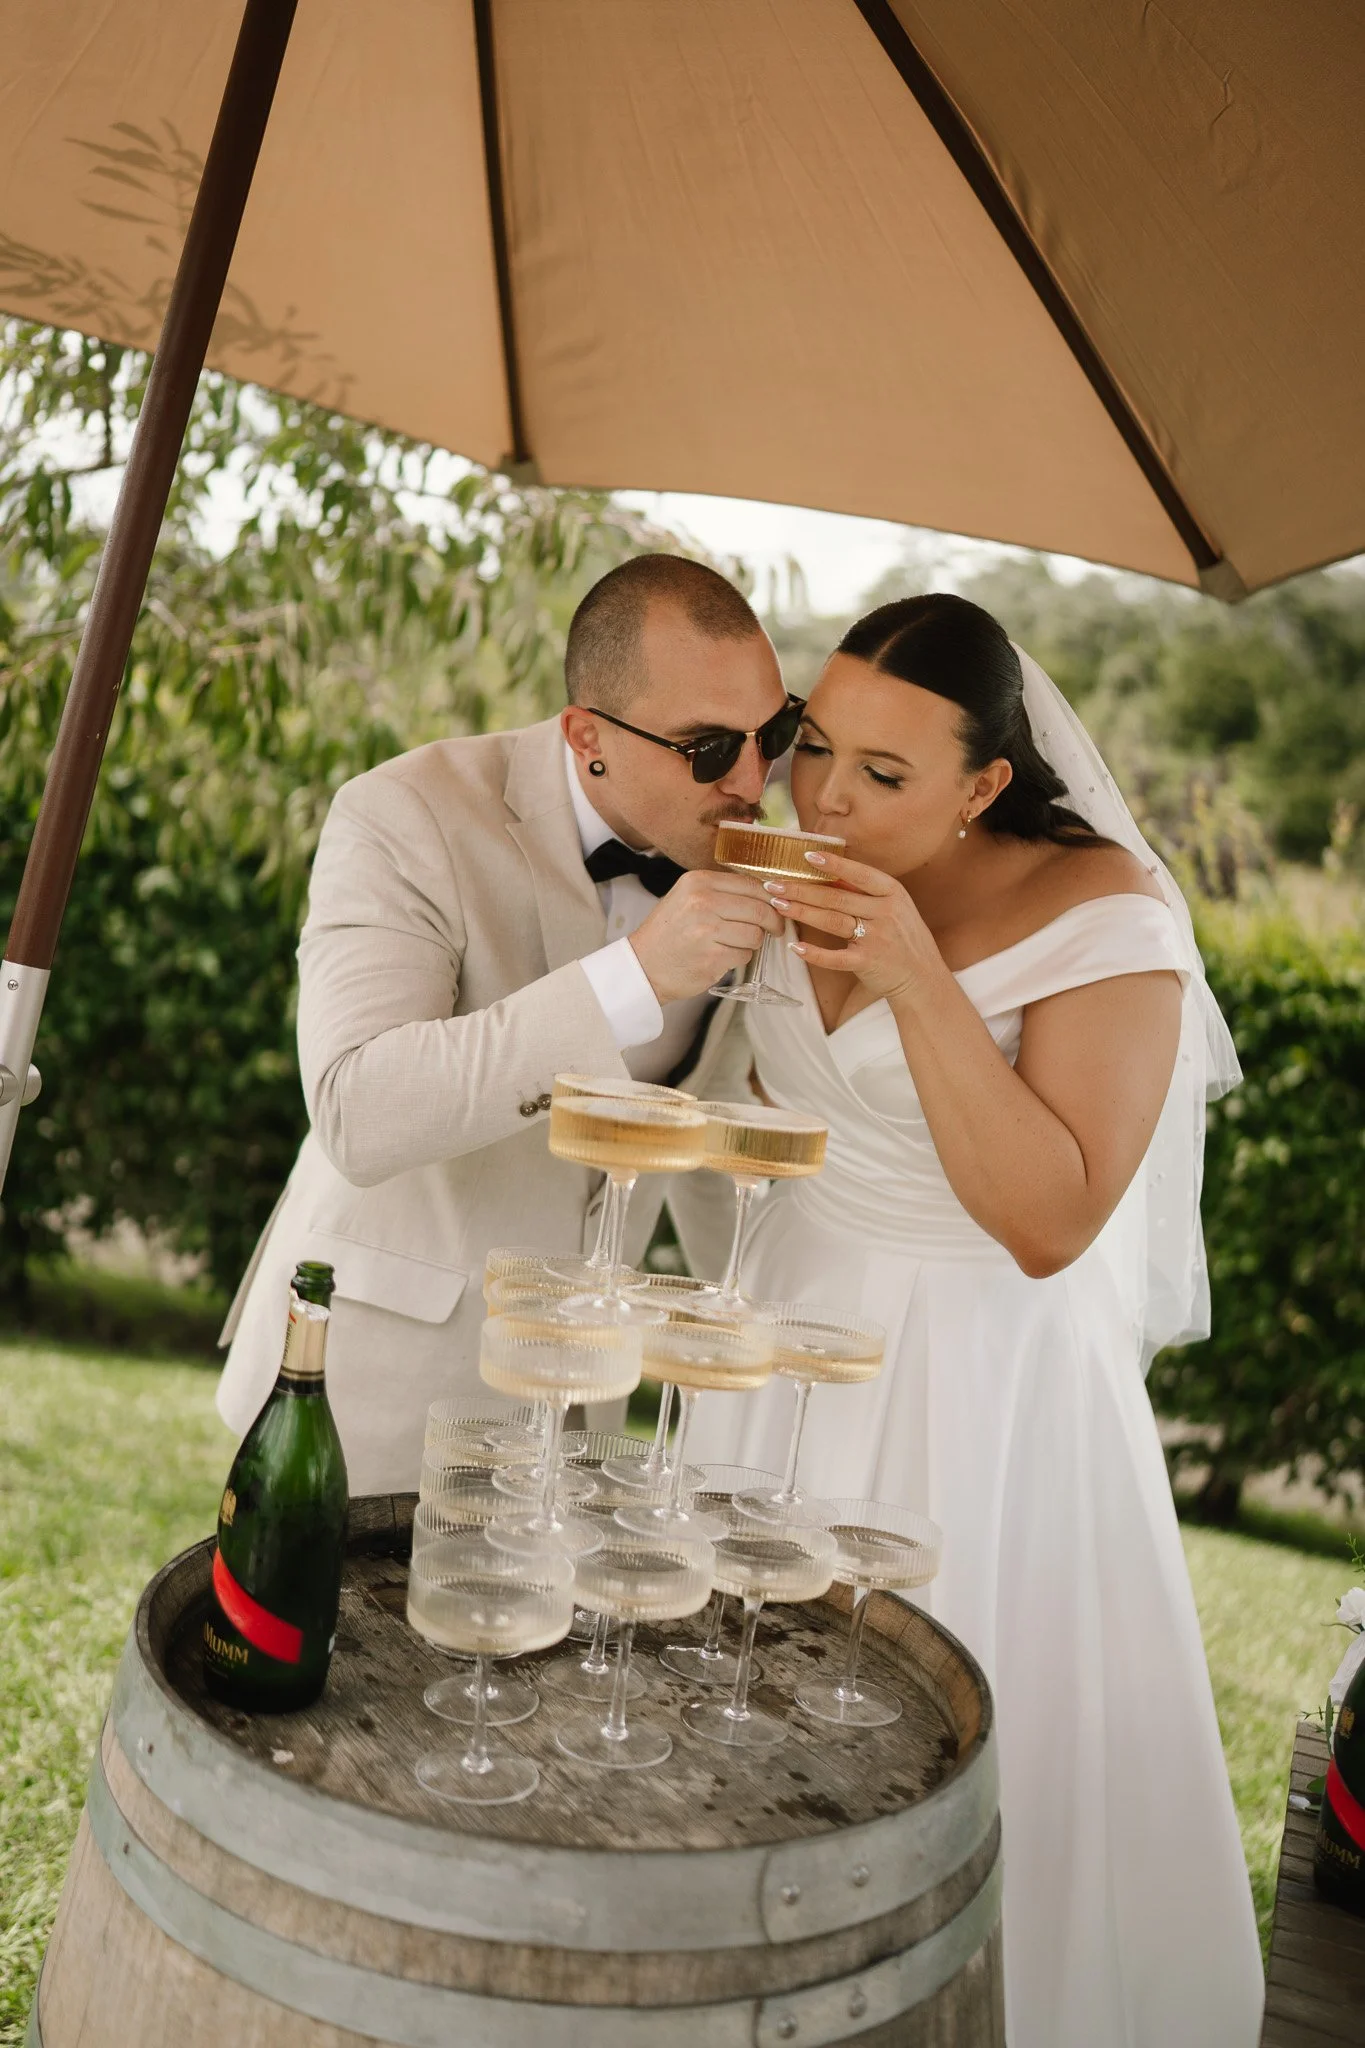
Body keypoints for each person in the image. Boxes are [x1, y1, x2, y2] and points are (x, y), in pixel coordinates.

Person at [688, 594, 1264, 2048]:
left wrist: (912, 979)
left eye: (884, 778)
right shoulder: (777, 856)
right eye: (815, 747)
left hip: (975, 1379)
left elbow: (1051, 1219)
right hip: (775, 1349)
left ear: (985, 785)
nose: (825, 795)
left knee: (916, 1735)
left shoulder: (1107, 914)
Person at [216, 554, 799, 1492]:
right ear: (586, 736)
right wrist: (637, 973)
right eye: (709, 749)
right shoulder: (401, 814)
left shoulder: (749, 863)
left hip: (576, 1420)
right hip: (363, 1393)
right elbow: (359, 1109)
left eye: (776, 731)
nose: (754, 776)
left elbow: (707, 1118)